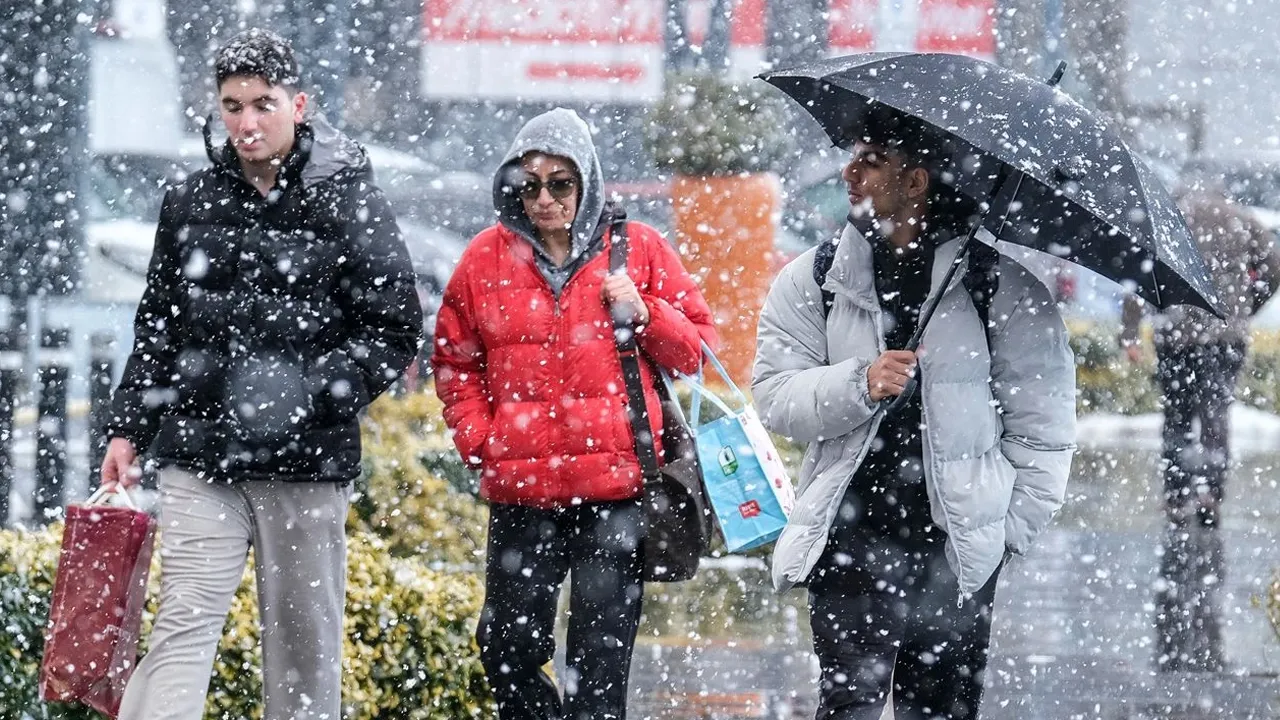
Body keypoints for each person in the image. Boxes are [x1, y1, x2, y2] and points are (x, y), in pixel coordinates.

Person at [99, 28, 422, 719]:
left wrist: (310, 396)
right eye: (232, 106)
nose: (246, 123)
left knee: (304, 657)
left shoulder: (347, 199)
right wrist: (128, 429)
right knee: (180, 628)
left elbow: (394, 328)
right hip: (200, 457)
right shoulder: (189, 200)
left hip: (306, 465)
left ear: (298, 105)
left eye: (262, 105)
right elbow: (159, 328)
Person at [752, 108, 1077, 720]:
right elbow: (775, 396)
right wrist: (860, 382)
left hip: (954, 550)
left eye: (872, 161)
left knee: (940, 710)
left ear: (916, 181)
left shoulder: (1000, 289)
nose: (849, 172)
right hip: (850, 540)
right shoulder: (816, 278)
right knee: (848, 707)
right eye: (854, 157)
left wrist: (1005, 533)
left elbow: (1045, 431)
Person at [432, 107, 716, 720]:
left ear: (587, 181)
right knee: (505, 649)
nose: (544, 199)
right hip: (522, 494)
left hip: (615, 495)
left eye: (560, 184)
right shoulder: (484, 259)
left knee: (600, 670)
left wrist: (646, 313)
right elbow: (455, 361)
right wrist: (483, 441)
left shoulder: (639, 249)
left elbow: (696, 350)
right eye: (529, 184)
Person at [1120, 180, 1279, 528]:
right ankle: (1210, 492)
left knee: (1177, 416)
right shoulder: (1241, 218)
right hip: (1225, 334)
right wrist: (1248, 306)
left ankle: (1177, 497)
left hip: (1175, 333)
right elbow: (1274, 264)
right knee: (1215, 415)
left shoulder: (1169, 217)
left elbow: (1139, 274)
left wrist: (1130, 331)